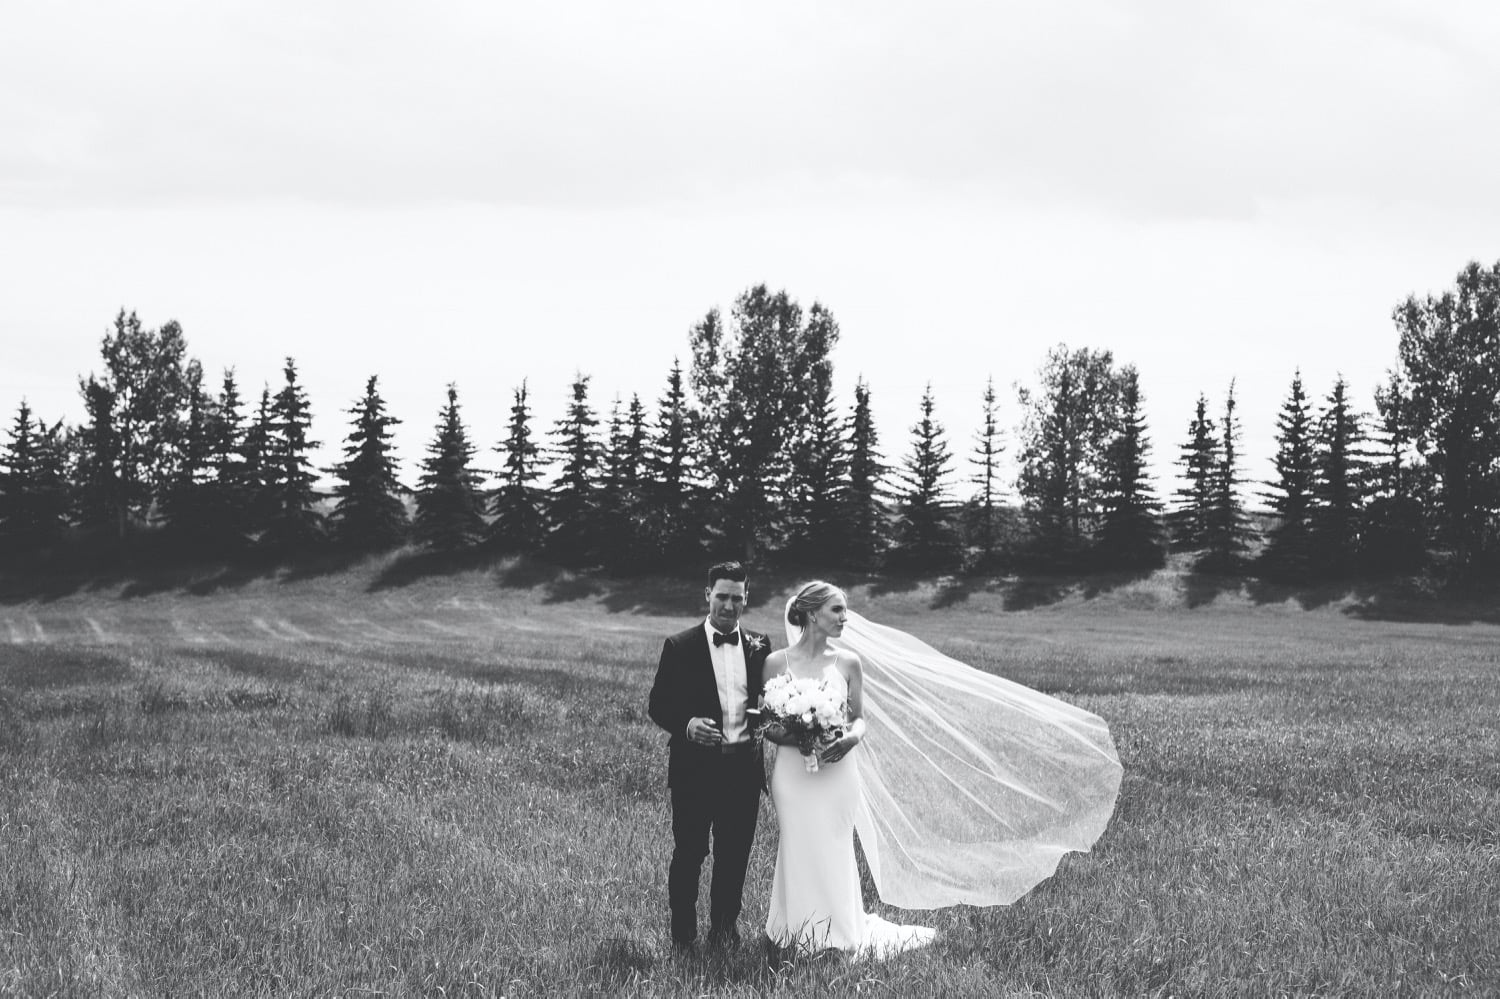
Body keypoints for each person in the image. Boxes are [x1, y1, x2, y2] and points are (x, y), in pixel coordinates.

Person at [761, 580, 1123, 958]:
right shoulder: (776, 663)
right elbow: (768, 725)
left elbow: (859, 721)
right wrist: (803, 736)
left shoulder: (847, 662)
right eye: (837, 610)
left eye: (845, 610)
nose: (845, 618)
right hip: (794, 777)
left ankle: (838, 932)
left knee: (834, 845)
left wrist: (849, 740)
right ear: (812, 612)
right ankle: (792, 930)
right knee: (798, 845)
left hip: (838, 772)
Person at [647, 560, 773, 950]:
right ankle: (683, 936)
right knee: (690, 854)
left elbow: (767, 700)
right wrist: (686, 725)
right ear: (707, 595)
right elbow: (657, 705)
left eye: (737, 598)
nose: (729, 605)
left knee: (734, 856)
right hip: (695, 770)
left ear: (746, 598)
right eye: (722, 596)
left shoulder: (759, 646)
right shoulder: (679, 646)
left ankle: (723, 931)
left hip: (743, 769)